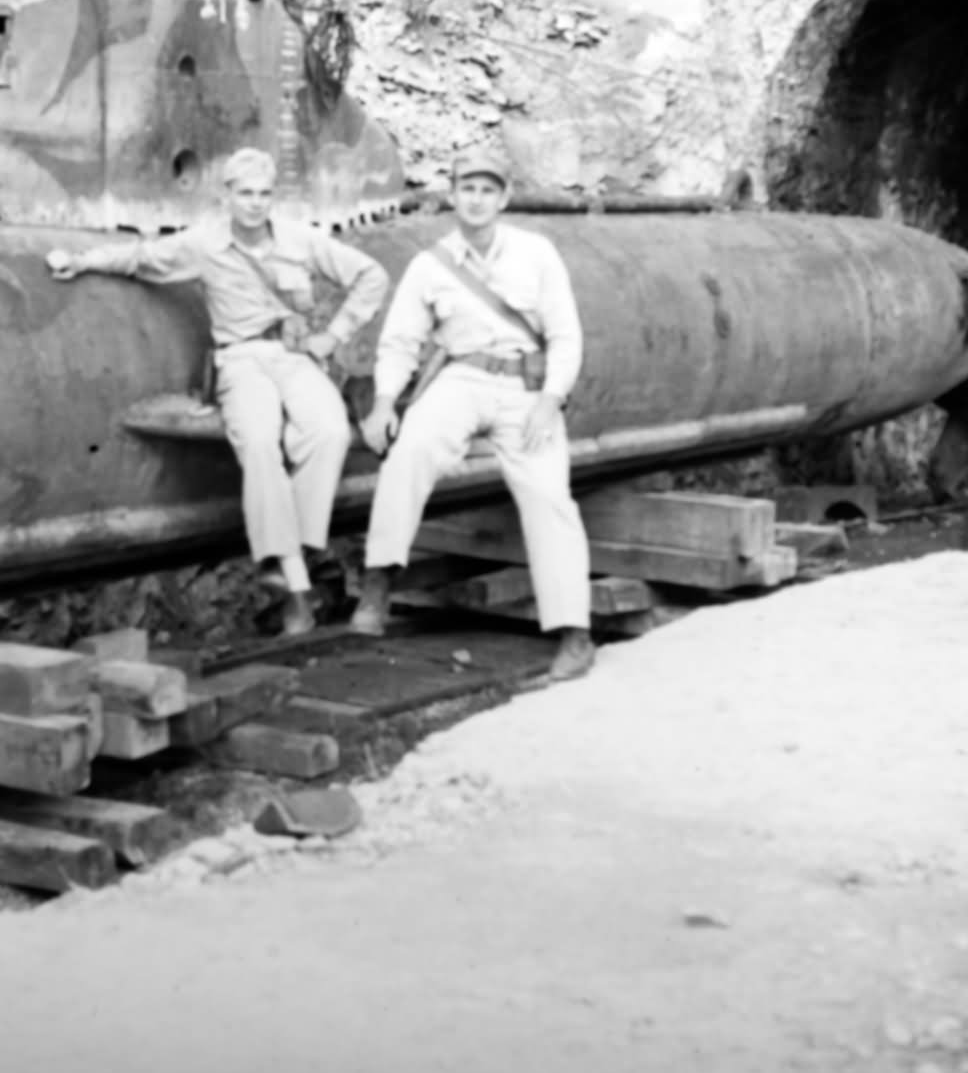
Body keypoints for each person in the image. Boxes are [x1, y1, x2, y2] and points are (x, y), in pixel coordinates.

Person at [47, 148, 388, 636]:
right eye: (245, 194)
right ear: (226, 196)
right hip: (242, 360)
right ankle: (289, 577)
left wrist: (333, 335)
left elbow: (370, 276)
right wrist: (81, 261)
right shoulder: (203, 245)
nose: (255, 204)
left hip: (296, 357)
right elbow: (142, 259)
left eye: (264, 194)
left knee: (331, 431)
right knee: (259, 441)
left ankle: (297, 553)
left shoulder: (300, 240)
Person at [350, 145, 598, 682]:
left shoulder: (537, 253)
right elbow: (399, 341)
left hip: (524, 384)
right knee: (408, 453)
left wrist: (551, 400)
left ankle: (574, 633)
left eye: (488, 190)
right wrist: (385, 402)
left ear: (503, 197)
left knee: (548, 493)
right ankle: (378, 583)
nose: (477, 200)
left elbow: (565, 335)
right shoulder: (429, 265)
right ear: (452, 196)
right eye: (467, 189)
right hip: (460, 378)